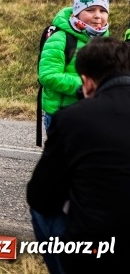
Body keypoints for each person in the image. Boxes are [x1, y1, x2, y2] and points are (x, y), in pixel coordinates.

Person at [27, 37, 130, 273]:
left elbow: (40, 197)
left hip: (98, 252)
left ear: (87, 83)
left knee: (41, 210)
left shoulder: (72, 119)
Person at [39, 0, 110, 130]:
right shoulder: (60, 38)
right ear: (77, 12)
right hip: (62, 114)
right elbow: (47, 75)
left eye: (102, 10)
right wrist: (83, 87)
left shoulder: (105, 41)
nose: (98, 16)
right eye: (90, 10)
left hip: (91, 112)